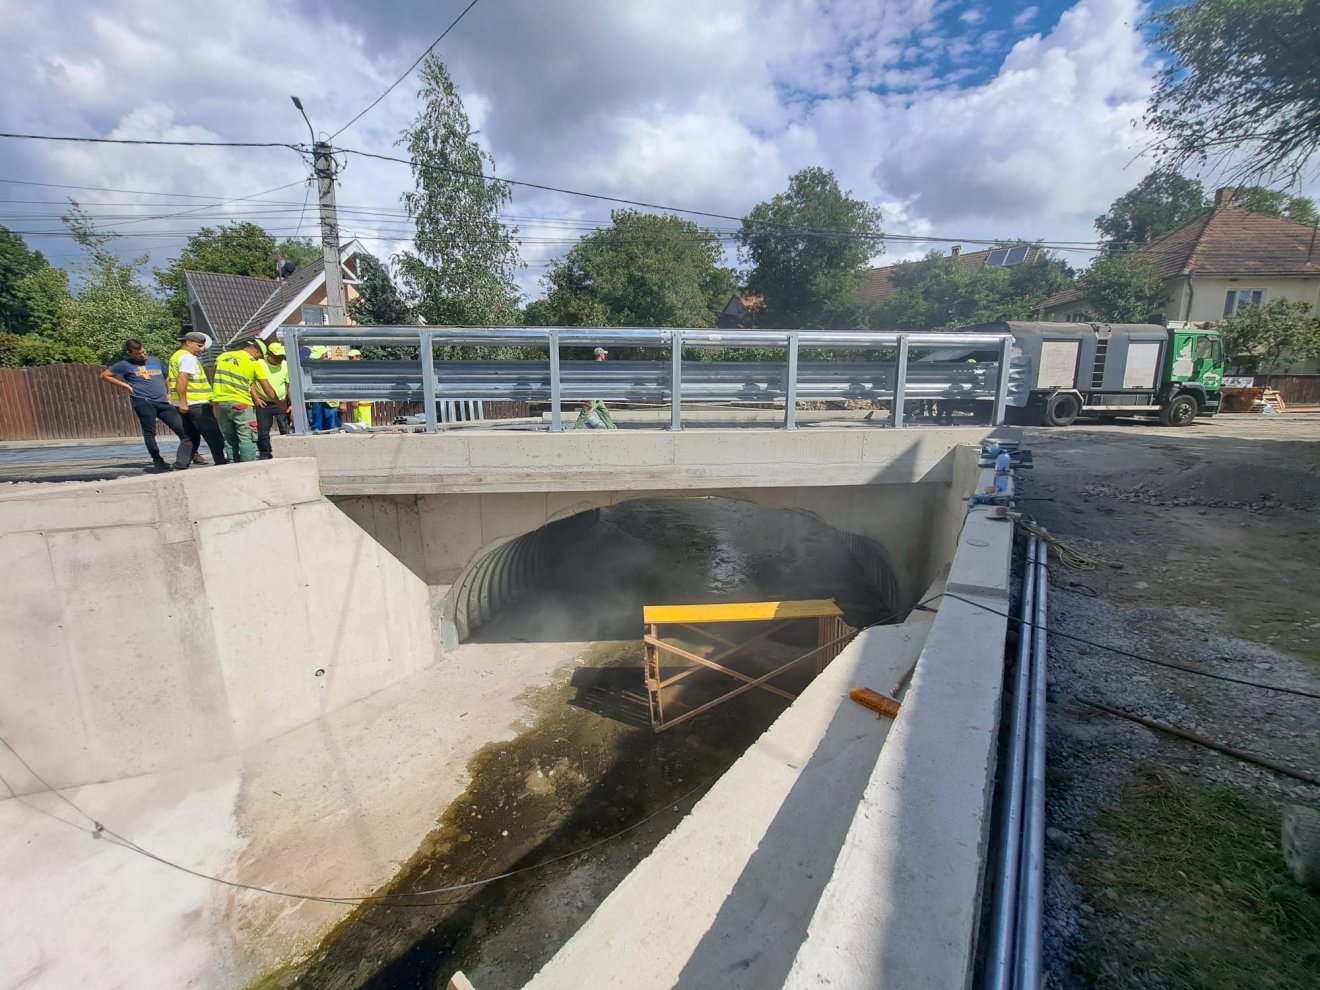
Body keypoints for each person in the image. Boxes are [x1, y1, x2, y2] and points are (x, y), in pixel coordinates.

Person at [101, 339, 194, 472]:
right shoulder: (124, 365)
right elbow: (105, 375)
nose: (142, 355)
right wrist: (126, 385)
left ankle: (192, 455)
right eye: (138, 354)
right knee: (150, 432)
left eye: (144, 352)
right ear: (130, 353)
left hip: (163, 401)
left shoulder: (155, 360)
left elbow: (166, 376)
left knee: (183, 430)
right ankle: (157, 459)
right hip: (143, 401)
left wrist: (169, 392)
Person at [211, 339, 277, 463]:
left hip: (220, 403)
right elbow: (267, 389)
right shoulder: (253, 363)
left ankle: (232, 464)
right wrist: (280, 403)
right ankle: (248, 466)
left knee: (229, 437)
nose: (259, 359)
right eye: (259, 356)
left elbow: (215, 378)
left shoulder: (222, 357)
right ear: (255, 350)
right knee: (247, 437)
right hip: (241, 403)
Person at [168, 331, 227, 465]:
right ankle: (221, 462)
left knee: (190, 436)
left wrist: (181, 402)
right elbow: (182, 379)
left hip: (183, 404)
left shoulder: (176, 356)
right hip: (196, 404)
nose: (202, 349)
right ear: (188, 343)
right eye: (199, 346)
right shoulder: (188, 358)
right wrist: (184, 402)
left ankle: (181, 464)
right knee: (214, 435)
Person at [255, 340, 293, 459]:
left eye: (281, 356)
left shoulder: (286, 365)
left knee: (285, 428)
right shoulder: (259, 363)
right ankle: (265, 452)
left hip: (281, 402)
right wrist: (255, 398)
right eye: (277, 356)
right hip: (263, 403)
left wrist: (291, 403)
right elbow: (251, 382)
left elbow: (289, 385)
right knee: (263, 430)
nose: (280, 359)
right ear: (269, 354)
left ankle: (286, 451)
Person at [338, 349, 374, 429]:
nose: (350, 360)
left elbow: (362, 385)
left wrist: (356, 399)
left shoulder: (362, 369)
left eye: (351, 357)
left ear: (358, 357)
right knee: (359, 425)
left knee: (364, 425)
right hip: (359, 402)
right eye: (349, 358)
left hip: (363, 402)